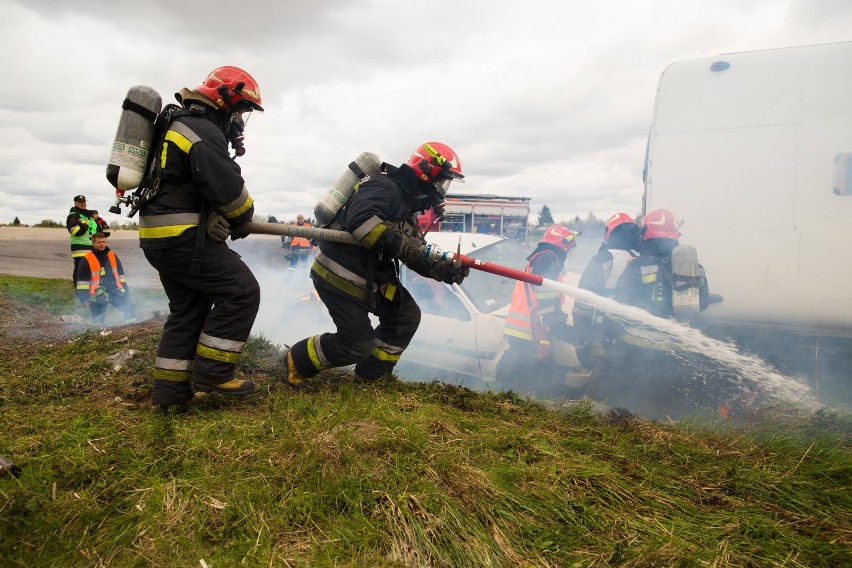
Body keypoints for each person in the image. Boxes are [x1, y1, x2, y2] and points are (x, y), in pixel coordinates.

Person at [283, 142, 469, 386]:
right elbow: (362, 222)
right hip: (340, 273)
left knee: (405, 316)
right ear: (427, 171)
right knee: (355, 344)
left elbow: (414, 250)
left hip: (372, 276)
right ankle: (295, 360)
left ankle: (371, 376)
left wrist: (439, 269)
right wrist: (402, 246)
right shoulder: (383, 185)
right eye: (443, 180)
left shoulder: (408, 205)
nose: (443, 188)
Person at [138, 66, 264, 411]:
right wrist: (241, 217)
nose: (240, 120)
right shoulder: (202, 131)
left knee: (188, 310)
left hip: (158, 237)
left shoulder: (177, 125)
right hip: (183, 238)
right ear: (222, 100)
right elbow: (231, 195)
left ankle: (169, 397)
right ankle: (214, 373)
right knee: (241, 291)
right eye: (240, 110)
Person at [497, 225, 582, 396]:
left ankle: (513, 401)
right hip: (527, 329)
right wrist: (555, 319)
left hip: (526, 327)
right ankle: (511, 404)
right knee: (523, 372)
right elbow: (545, 295)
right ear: (562, 245)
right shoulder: (547, 259)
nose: (568, 253)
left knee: (523, 369)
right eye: (568, 248)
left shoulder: (543, 257)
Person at [572, 212, 641, 369]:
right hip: (629, 331)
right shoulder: (640, 258)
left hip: (602, 331)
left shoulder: (605, 257)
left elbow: (583, 299)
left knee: (599, 370)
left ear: (610, 233)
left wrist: (584, 337)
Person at [75, 232, 135, 324]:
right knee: (98, 319)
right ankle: (98, 336)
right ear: (93, 243)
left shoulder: (112, 256)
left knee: (129, 306)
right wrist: (84, 298)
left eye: (103, 242)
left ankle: (132, 329)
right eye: (99, 242)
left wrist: (125, 289)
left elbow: (120, 274)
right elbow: (82, 281)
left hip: (114, 290)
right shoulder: (87, 259)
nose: (102, 244)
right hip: (97, 295)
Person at [65, 195, 97, 285]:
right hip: (80, 249)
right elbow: (74, 231)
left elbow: (95, 230)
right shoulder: (73, 216)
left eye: (84, 202)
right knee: (80, 271)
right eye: (81, 202)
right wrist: (84, 225)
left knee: (91, 271)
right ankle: (78, 290)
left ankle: (90, 289)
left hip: (91, 248)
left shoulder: (88, 216)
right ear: (75, 203)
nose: (83, 204)